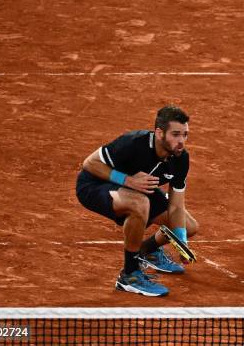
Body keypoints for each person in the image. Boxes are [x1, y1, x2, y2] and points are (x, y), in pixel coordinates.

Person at [75, 105, 198, 296]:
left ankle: (146, 250)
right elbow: (89, 164)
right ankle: (129, 275)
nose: (181, 141)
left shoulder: (180, 159)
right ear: (159, 133)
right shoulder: (133, 143)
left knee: (189, 226)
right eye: (175, 134)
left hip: (138, 190)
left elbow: (175, 207)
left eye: (185, 135)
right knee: (140, 204)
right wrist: (127, 180)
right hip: (95, 184)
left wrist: (181, 241)